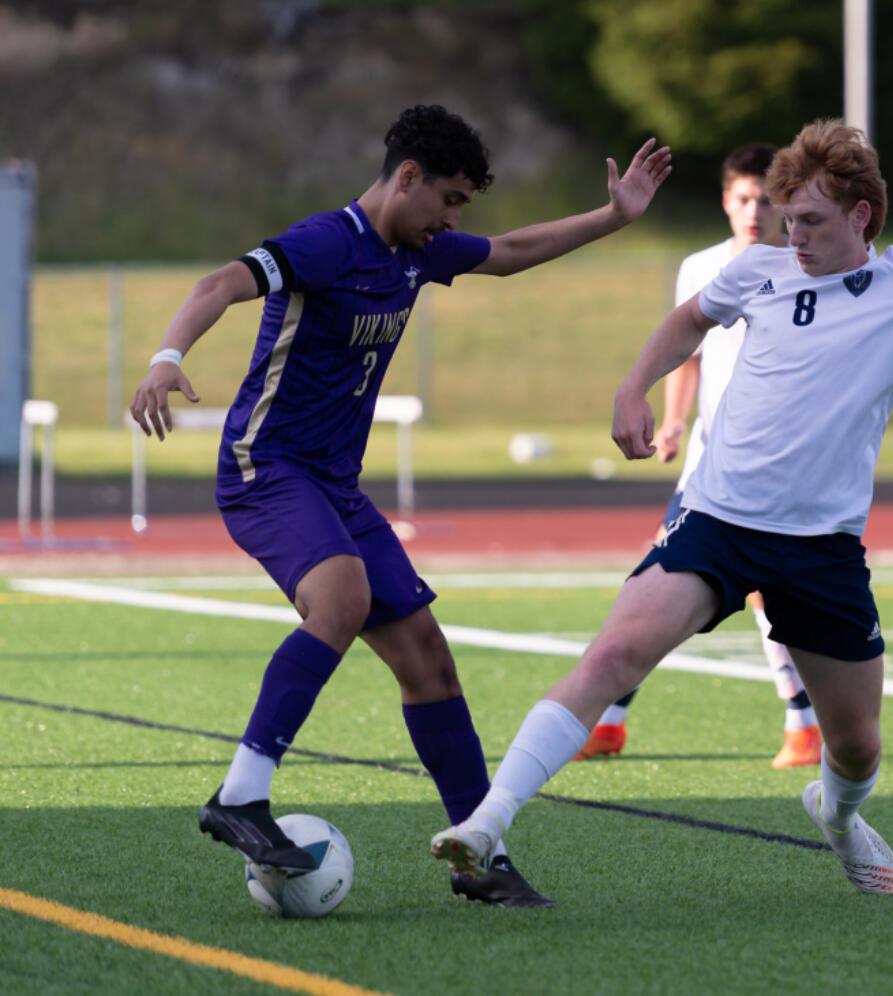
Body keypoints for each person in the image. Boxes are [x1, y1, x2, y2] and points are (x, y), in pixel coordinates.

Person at [431, 49, 893, 897]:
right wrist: (633, 385)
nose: (788, 235)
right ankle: (488, 822)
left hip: (821, 550)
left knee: (858, 745)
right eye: (783, 216)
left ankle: (836, 817)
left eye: (809, 221)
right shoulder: (756, 270)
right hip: (718, 524)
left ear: (862, 215)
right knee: (614, 653)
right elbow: (688, 321)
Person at [128, 104, 671, 908]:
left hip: (334, 486)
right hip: (265, 467)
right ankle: (240, 796)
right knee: (341, 596)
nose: (452, 220)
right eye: (448, 200)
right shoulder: (326, 242)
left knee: (427, 658)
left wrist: (615, 216)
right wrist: (168, 357)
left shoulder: (416, 253)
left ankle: (477, 852)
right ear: (408, 178)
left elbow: (515, 251)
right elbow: (220, 283)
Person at [574, 143, 825, 769]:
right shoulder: (703, 268)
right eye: (743, 198)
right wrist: (678, 419)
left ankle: (803, 725)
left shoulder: (806, 269)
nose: (754, 211)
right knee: (659, 580)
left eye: (767, 200)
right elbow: (689, 351)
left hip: (775, 470)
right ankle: (610, 721)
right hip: (708, 467)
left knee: (752, 594)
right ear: (725, 201)